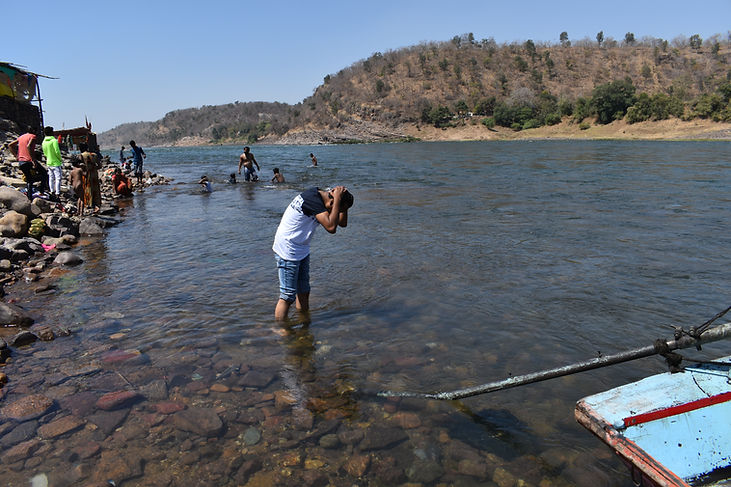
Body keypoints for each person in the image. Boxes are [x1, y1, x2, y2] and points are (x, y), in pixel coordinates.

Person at [272, 185, 353, 320]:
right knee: (287, 295)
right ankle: (281, 331)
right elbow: (331, 227)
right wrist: (338, 200)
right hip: (288, 249)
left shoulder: (324, 200)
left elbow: (342, 223)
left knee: (304, 291)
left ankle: (303, 322)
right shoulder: (312, 199)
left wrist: (342, 204)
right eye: (337, 208)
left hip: (301, 248)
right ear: (333, 202)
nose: (337, 211)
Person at [9, 127, 46, 199]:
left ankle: (29, 197)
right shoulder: (33, 136)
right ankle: (41, 192)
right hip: (29, 161)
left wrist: (16, 156)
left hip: (21, 161)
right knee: (44, 174)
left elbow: (10, 145)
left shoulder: (21, 137)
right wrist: (33, 160)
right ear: (33, 131)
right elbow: (29, 146)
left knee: (29, 180)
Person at [41, 126, 63, 200]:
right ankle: (57, 193)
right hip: (56, 162)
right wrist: (60, 159)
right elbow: (57, 151)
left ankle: (52, 191)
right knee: (58, 178)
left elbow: (45, 152)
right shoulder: (54, 141)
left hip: (49, 162)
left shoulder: (44, 142)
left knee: (51, 177)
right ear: (51, 132)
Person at [80, 143, 101, 213]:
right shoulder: (94, 155)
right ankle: (97, 205)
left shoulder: (82, 156)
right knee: (96, 189)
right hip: (94, 174)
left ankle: (90, 205)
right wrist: (94, 168)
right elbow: (100, 166)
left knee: (88, 189)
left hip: (87, 175)